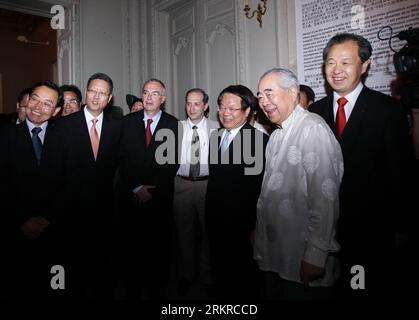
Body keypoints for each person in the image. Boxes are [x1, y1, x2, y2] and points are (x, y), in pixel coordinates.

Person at [309, 33, 413, 298]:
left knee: (360, 288)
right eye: (330, 62)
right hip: (321, 231)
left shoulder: (387, 110)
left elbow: (400, 172)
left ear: (365, 65)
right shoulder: (314, 113)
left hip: (369, 230)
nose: (336, 70)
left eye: (345, 62)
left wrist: (402, 226)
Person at [254, 68, 343, 300]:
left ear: (293, 92)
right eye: (260, 96)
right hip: (276, 252)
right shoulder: (275, 135)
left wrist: (316, 254)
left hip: (301, 256)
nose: (263, 102)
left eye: (269, 93)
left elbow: (326, 199)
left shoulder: (313, 130)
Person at [58, 72, 122, 298]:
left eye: (102, 93)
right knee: (73, 265)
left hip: (105, 208)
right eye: (93, 91)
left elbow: (120, 167)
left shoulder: (117, 127)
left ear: (109, 98)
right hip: (71, 208)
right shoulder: (64, 126)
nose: (96, 97)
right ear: (86, 92)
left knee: (102, 265)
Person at [0, 81, 63, 298]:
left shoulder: (66, 140)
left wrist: (47, 218)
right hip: (14, 229)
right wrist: (22, 219)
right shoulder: (5, 136)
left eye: (47, 103)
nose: (38, 107)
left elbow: (71, 184)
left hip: (54, 230)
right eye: (35, 98)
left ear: (56, 111)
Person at [119, 78, 180, 299]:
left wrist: (151, 189)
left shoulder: (174, 124)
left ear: (162, 99)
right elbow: (121, 159)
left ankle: (157, 290)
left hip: (159, 197)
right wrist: (136, 187)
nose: (149, 97)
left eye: (154, 94)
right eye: (145, 93)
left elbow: (172, 162)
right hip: (131, 197)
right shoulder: (126, 123)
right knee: (132, 249)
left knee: (158, 250)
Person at [205, 85, 268, 299]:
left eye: (232, 109)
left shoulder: (258, 141)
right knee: (220, 271)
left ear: (247, 111)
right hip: (215, 218)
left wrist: (253, 225)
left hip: (242, 224)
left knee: (242, 277)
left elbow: (257, 189)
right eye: (222, 107)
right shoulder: (216, 137)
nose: (225, 113)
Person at [173, 88, 219, 296]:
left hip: (207, 186)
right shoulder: (176, 128)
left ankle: (207, 276)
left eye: (197, 104)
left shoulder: (217, 128)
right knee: (184, 234)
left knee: (209, 232)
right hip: (181, 185)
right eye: (188, 103)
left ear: (205, 106)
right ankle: (186, 275)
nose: (191, 108)